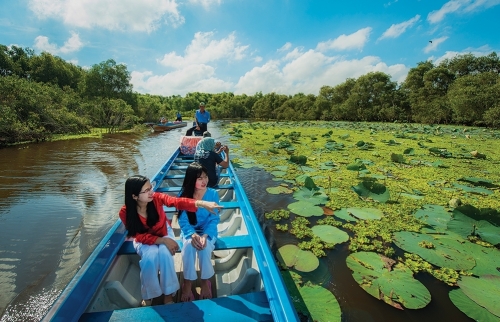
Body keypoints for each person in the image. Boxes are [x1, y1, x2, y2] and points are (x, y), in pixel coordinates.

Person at [118, 175, 222, 306]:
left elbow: (176, 202)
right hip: (144, 240)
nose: (151, 192)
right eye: (146, 190)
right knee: (149, 257)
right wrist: (162, 241)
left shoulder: (156, 198)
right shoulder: (125, 212)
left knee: (165, 254)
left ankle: (168, 294)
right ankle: (149, 294)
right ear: (134, 196)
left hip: (163, 231)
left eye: (151, 187)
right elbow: (138, 236)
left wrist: (201, 203)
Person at [178, 163, 220, 301]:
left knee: (205, 247)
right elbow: (183, 220)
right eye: (199, 178)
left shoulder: (213, 194)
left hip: (208, 231)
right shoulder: (184, 195)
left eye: (206, 177)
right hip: (189, 231)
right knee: (188, 247)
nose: (204, 181)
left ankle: (204, 282)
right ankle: (188, 284)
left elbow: (214, 219)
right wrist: (192, 234)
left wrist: (205, 235)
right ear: (191, 180)